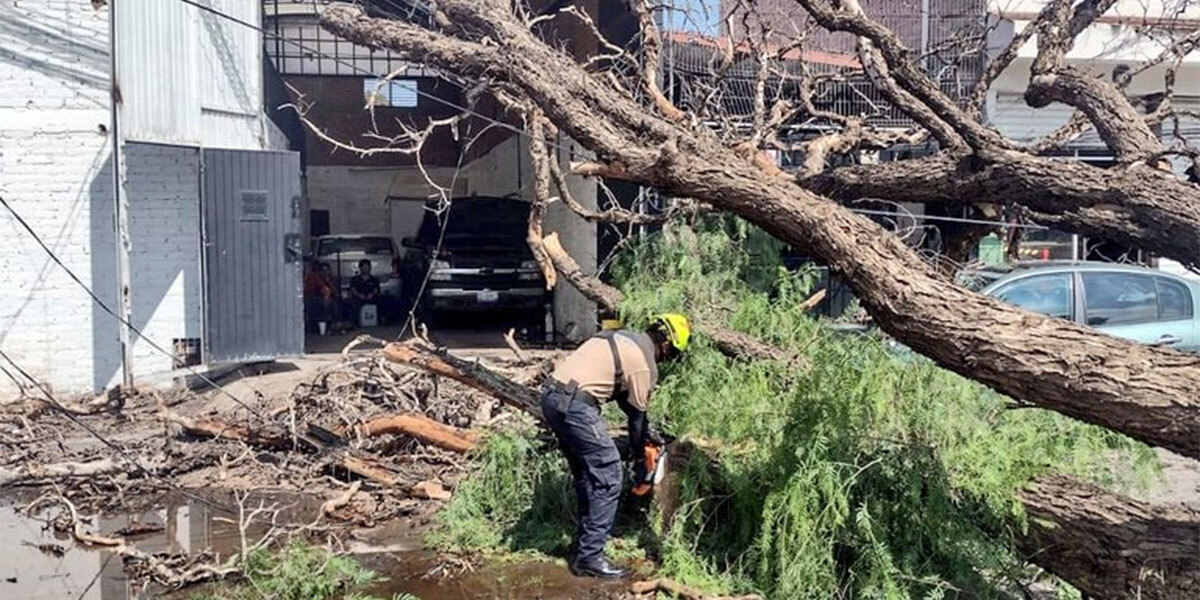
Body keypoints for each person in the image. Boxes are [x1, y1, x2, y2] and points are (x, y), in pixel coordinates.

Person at [540, 313, 690, 578]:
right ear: (666, 345)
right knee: (609, 474)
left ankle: (584, 546)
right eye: (672, 354)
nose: (668, 359)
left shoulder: (624, 338)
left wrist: (647, 434)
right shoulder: (644, 365)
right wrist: (639, 454)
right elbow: (636, 417)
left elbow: (624, 398)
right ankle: (590, 558)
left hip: (552, 397)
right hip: (576, 406)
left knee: (587, 473)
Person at [303, 260, 335, 333]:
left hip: (321, 298)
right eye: (323, 270)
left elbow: (329, 291)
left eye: (326, 270)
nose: (325, 272)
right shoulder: (312, 277)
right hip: (313, 298)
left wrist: (326, 299)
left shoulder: (315, 277)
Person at [347, 259, 380, 326]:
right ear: (360, 268)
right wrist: (359, 295)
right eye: (364, 267)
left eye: (367, 266)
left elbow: (376, 289)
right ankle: (353, 323)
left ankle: (381, 320)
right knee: (352, 304)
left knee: (384, 301)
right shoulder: (355, 279)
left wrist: (372, 294)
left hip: (371, 297)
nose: (366, 268)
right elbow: (353, 289)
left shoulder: (374, 279)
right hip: (359, 298)